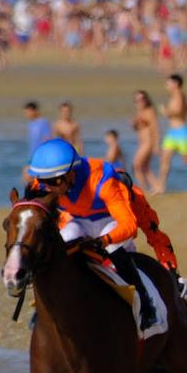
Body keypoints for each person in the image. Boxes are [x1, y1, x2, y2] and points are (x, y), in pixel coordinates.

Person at [26, 138, 161, 330]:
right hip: (79, 222)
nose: (48, 188)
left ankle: (146, 303)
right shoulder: (45, 183)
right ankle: (42, 306)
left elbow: (129, 224)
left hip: (109, 222)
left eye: (53, 182)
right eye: (44, 182)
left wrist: (105, 240)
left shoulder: (102, 180)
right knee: (60, 242)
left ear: (70, 174)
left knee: (113, 246)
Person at [131, 89, 159, 191]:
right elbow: (136, 128)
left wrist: (156, 145)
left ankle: (143, 188)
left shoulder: (149, 111)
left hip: (148, 142)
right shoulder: (139, 112)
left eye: (142, 99)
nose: (140, 102)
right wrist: (134, 123)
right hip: (142, 142)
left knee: (137, 165)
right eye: (137, 100)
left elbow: (155, 128)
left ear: (146, 100)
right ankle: (156, 187)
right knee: (145, 167)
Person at [23, 100, 52, 182]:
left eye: (28, 112)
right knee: (27, 178)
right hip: (32, 155)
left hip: (41, 156)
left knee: (32, 177)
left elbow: (47, 140)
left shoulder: (43, 122)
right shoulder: (30, 123)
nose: (26, 115)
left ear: (34, 111)